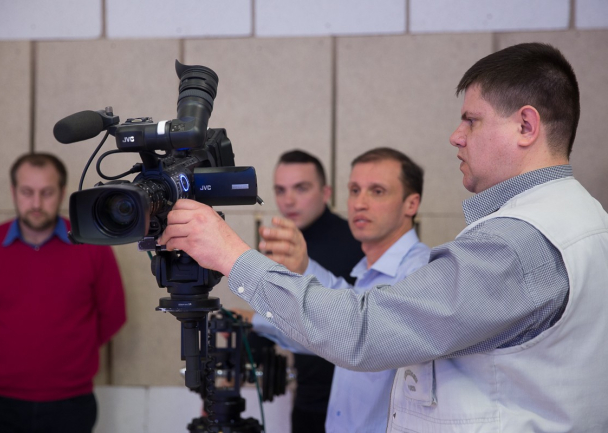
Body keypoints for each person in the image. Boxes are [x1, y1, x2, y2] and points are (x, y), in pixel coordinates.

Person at [158, 42, 608, 432]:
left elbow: (363, 331)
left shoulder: (518, 242)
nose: (456, 137)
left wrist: (231, 254)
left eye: (472, 120)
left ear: (526, 126)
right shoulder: (580, 218)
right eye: (355, 190)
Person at [248, 147, 429, 433]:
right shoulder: (365, 272)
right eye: (355, 190)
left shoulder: (423, 273)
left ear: (411, 204)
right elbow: (329, 330)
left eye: (377, 191)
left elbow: (360, 333)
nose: (360, 203)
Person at [0, 153, 127, 433]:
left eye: (46, 193)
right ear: (13, 191)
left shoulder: (92, 246)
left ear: (62, 192)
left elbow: (113, 315)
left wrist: (72, 352)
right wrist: (2, 352)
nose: (36, 203)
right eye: (27, 192)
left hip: (70, 402)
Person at [252, 150, 363, 433]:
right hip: (305, 400)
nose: (288, 200)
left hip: (356, 404)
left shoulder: (359, 242)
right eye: (280, 190)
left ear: (326, 193)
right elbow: (273, 312)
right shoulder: (281, 243)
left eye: (301, 188)